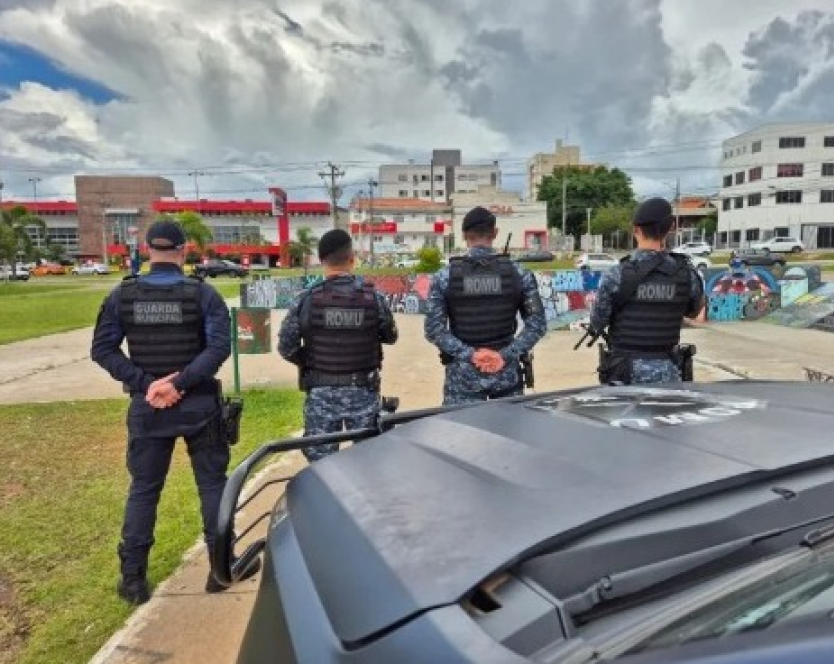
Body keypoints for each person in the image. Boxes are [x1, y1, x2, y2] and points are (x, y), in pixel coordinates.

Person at [90, 220, 257, 606]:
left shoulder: (122, 295)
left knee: (144, 492)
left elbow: (103, 350)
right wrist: (176, 384)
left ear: (148, 250)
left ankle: (132, 581)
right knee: (212, 487)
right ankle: (222, 569)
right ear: (183, 250)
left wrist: (147, 383)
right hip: (197, 404)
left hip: (148, 408)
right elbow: (218, 349)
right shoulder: (204, 295)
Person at [277, 229, 398, 462]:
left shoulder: (306, 298)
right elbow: (390, 336)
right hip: (363, 392)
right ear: (352, 259)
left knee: (322, 469)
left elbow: (286, 346)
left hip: (321, 395)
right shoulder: (373, 298)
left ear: (321, 260)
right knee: (367, 463)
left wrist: (311, 359)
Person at [425, 206, 547, 405]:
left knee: (462, 436)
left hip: (462, 380)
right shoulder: (519, 273)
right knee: (508, 435)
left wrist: (471, 355)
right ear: (495, 233)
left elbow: (433, 330)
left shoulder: (444, 277)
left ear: (464, 235)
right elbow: (537, 325)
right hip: (506, 377)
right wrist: (505, 355)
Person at [588, 198, 706, 385]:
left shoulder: (616, 275)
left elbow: (597, 322)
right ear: (670, 228)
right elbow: (694, 311)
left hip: (624, 374)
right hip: (668, 372)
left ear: (636, 230)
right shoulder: (687, 274)